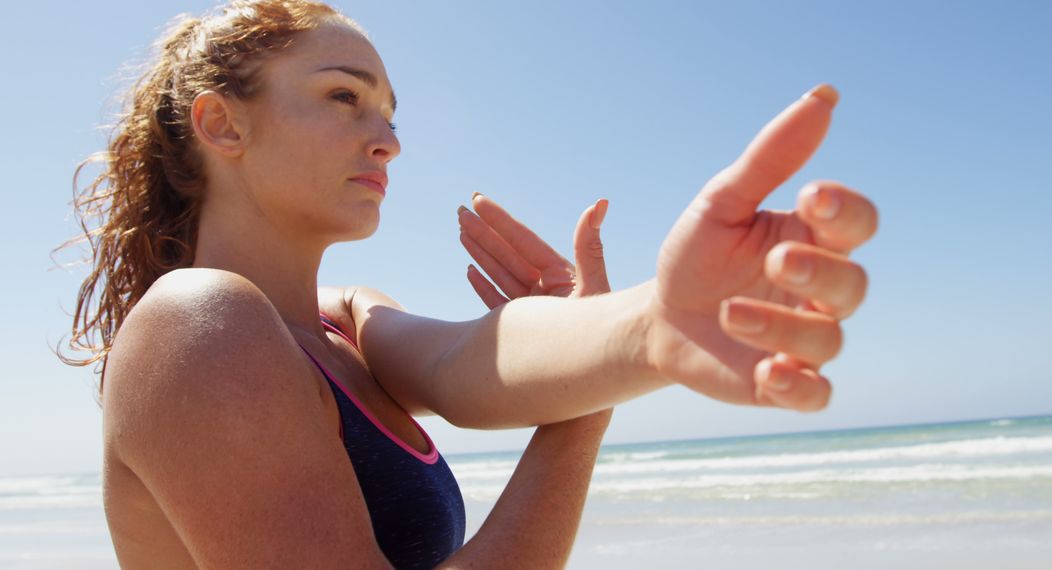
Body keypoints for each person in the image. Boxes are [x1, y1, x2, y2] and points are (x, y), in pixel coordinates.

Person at [59, 1, 877, 567]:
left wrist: (649, 324)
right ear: (222, 123)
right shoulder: (197, 323)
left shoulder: (342, 323)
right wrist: (582, 413)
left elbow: (470, 365)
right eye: (344, 97)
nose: (387, 140)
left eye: (389, 112)